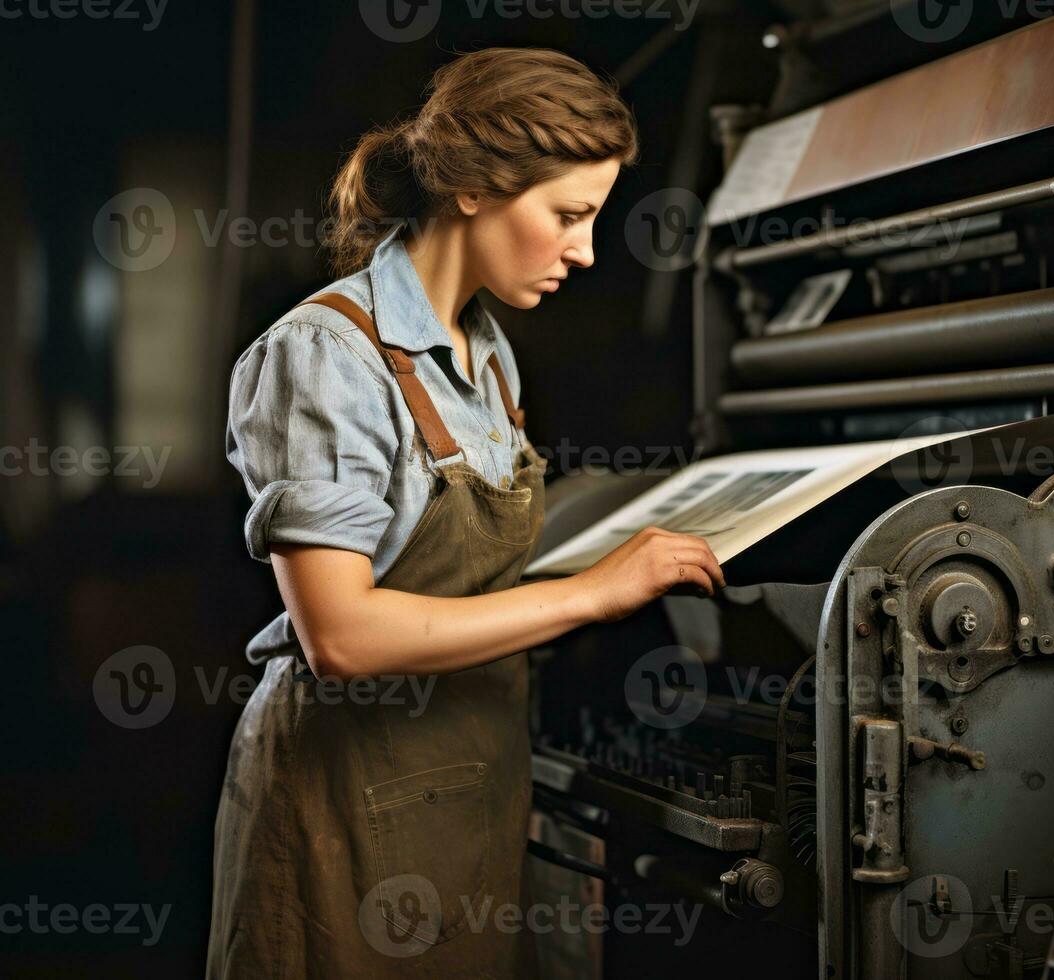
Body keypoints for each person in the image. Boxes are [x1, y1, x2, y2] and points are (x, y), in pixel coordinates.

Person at [207, 46, 725, 979]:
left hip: (469, 784)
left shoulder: (485, 352)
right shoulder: (326, 356)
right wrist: (591, 595)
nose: (587, 249)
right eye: (568, 215)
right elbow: (343, 635)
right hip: (345, 804)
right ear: (477, 189)